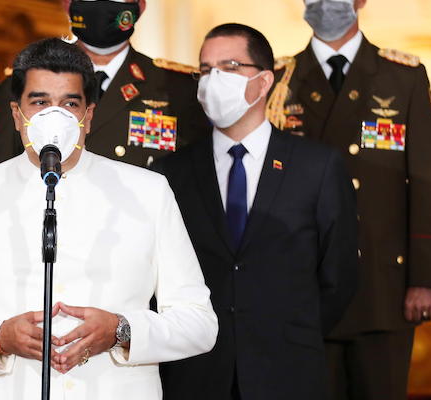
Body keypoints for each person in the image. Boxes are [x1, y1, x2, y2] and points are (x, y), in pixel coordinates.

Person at [0, 38, 218, 400]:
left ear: (89, 116)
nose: (56, 116)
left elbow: (199, 325)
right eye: (39, 102)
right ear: (17, 115)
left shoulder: (148, 192)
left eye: (70, 103)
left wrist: (122, 330)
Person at [152, 23, 358, 400]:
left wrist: (289, 329)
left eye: (229, 67)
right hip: (195, 373)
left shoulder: (317, 167)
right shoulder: (169, 173)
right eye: (205, 69)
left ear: (263, 82)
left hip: (286, 369)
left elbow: (338, 276)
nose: (214, 79)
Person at [265, 1, 431, 398]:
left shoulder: (403, 78)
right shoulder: (277, 79)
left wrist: (423, 280)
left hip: (382, 289)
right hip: (300, 287)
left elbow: (428, 182)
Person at [0, 0, 211, 169]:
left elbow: (194, 184)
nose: (102, 5)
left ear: (140, 6)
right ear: (67, 4)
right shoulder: (24, 83)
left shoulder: (179, 90)